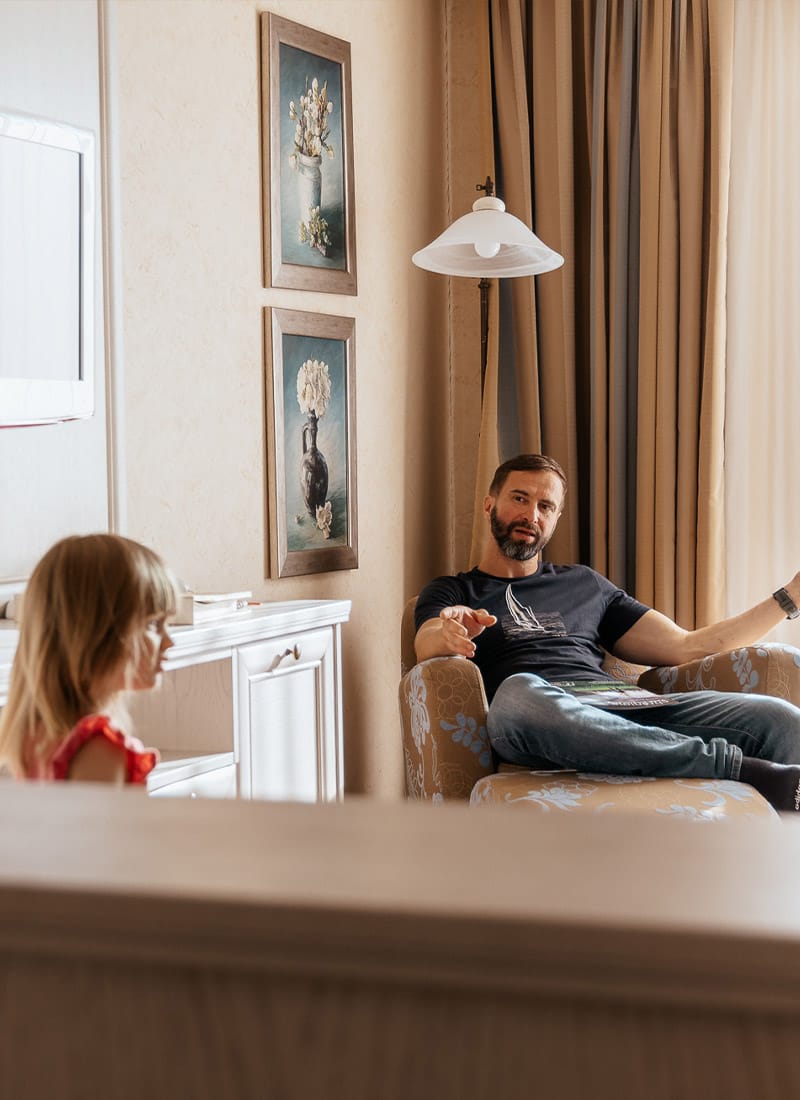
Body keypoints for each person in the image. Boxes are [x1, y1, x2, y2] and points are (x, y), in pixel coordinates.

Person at [415, 453, 800, 813]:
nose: (531, 514)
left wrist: (790, 598)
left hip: (627, 709)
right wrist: (446, 633)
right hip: (545, 720)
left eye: (545, 506)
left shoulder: (585, 585)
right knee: (518, 695)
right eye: (519, 498)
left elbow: (687, 646)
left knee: (780, 718)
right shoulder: (455, 590)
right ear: (490, 505)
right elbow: (425, 640)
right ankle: (738, 768)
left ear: (556, 517)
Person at [0, 533, 177, 785]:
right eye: (152, 624)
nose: (169, 641)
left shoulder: (37, 735)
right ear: (96, 635)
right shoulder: (99, 751)